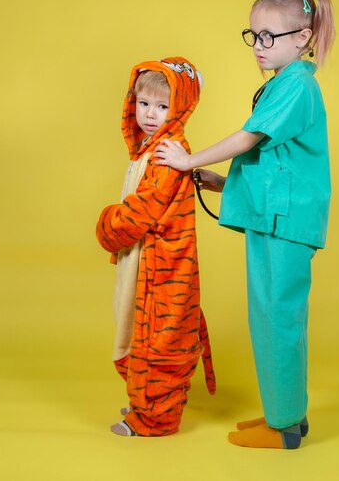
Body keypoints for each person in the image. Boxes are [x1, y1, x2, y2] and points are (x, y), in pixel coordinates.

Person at [154, 0, 335, 449]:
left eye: (270, 36)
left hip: (284, 224)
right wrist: (217, 181)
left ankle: (287, 426)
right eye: (253, 35)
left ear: (304, 37)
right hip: (272, 219)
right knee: (271, 318)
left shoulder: (296, 84)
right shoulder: (284, 82)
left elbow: (250, 138)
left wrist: (187, 163)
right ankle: (283, 416)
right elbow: (276, 162)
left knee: (278, 319)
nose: (258, 45)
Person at [96, 57, 216, 437]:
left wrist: (105, 223)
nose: (150, 114)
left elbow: (137, 215)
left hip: (161, 270)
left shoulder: (168, 155)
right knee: (134, 331)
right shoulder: (149, 148)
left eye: (163, 107)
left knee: (158, 340)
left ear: (180, 108)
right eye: (143, 103)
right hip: (140, 260)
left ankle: (153, 419)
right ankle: (142, 402)